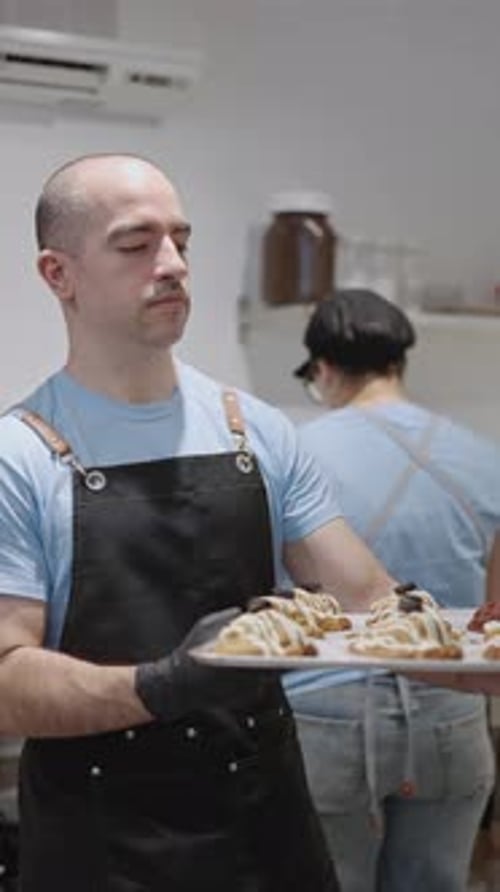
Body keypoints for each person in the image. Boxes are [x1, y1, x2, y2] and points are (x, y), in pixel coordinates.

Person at [0, 155, 397, 892]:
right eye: (136, 243)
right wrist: (164, 684)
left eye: (181, 240)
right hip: (106, 846)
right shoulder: (21, 454)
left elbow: (366, 602)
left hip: (267, 831)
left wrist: (468, 659)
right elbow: (5, 680)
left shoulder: (257, 432)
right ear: (58, 274)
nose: (173, 264)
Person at [285, 288, 500, 892]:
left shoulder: (295, 455)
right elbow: (492, 612)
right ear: (399, 364)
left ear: (322, 370)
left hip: (325, 716)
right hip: (450, 721)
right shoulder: (484, 455)